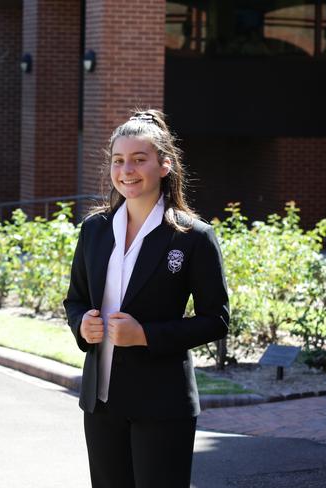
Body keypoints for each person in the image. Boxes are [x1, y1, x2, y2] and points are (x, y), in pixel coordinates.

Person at [64, 110, 229, 488]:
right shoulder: (94, 229)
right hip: (101, 402)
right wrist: (81, 324)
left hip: (163, 404)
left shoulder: (193, 237)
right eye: (119, 160)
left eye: (140, 159)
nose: (127, 170)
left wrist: (146, 335)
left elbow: (216, 319)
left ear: (164, 165)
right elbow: (74, 299)